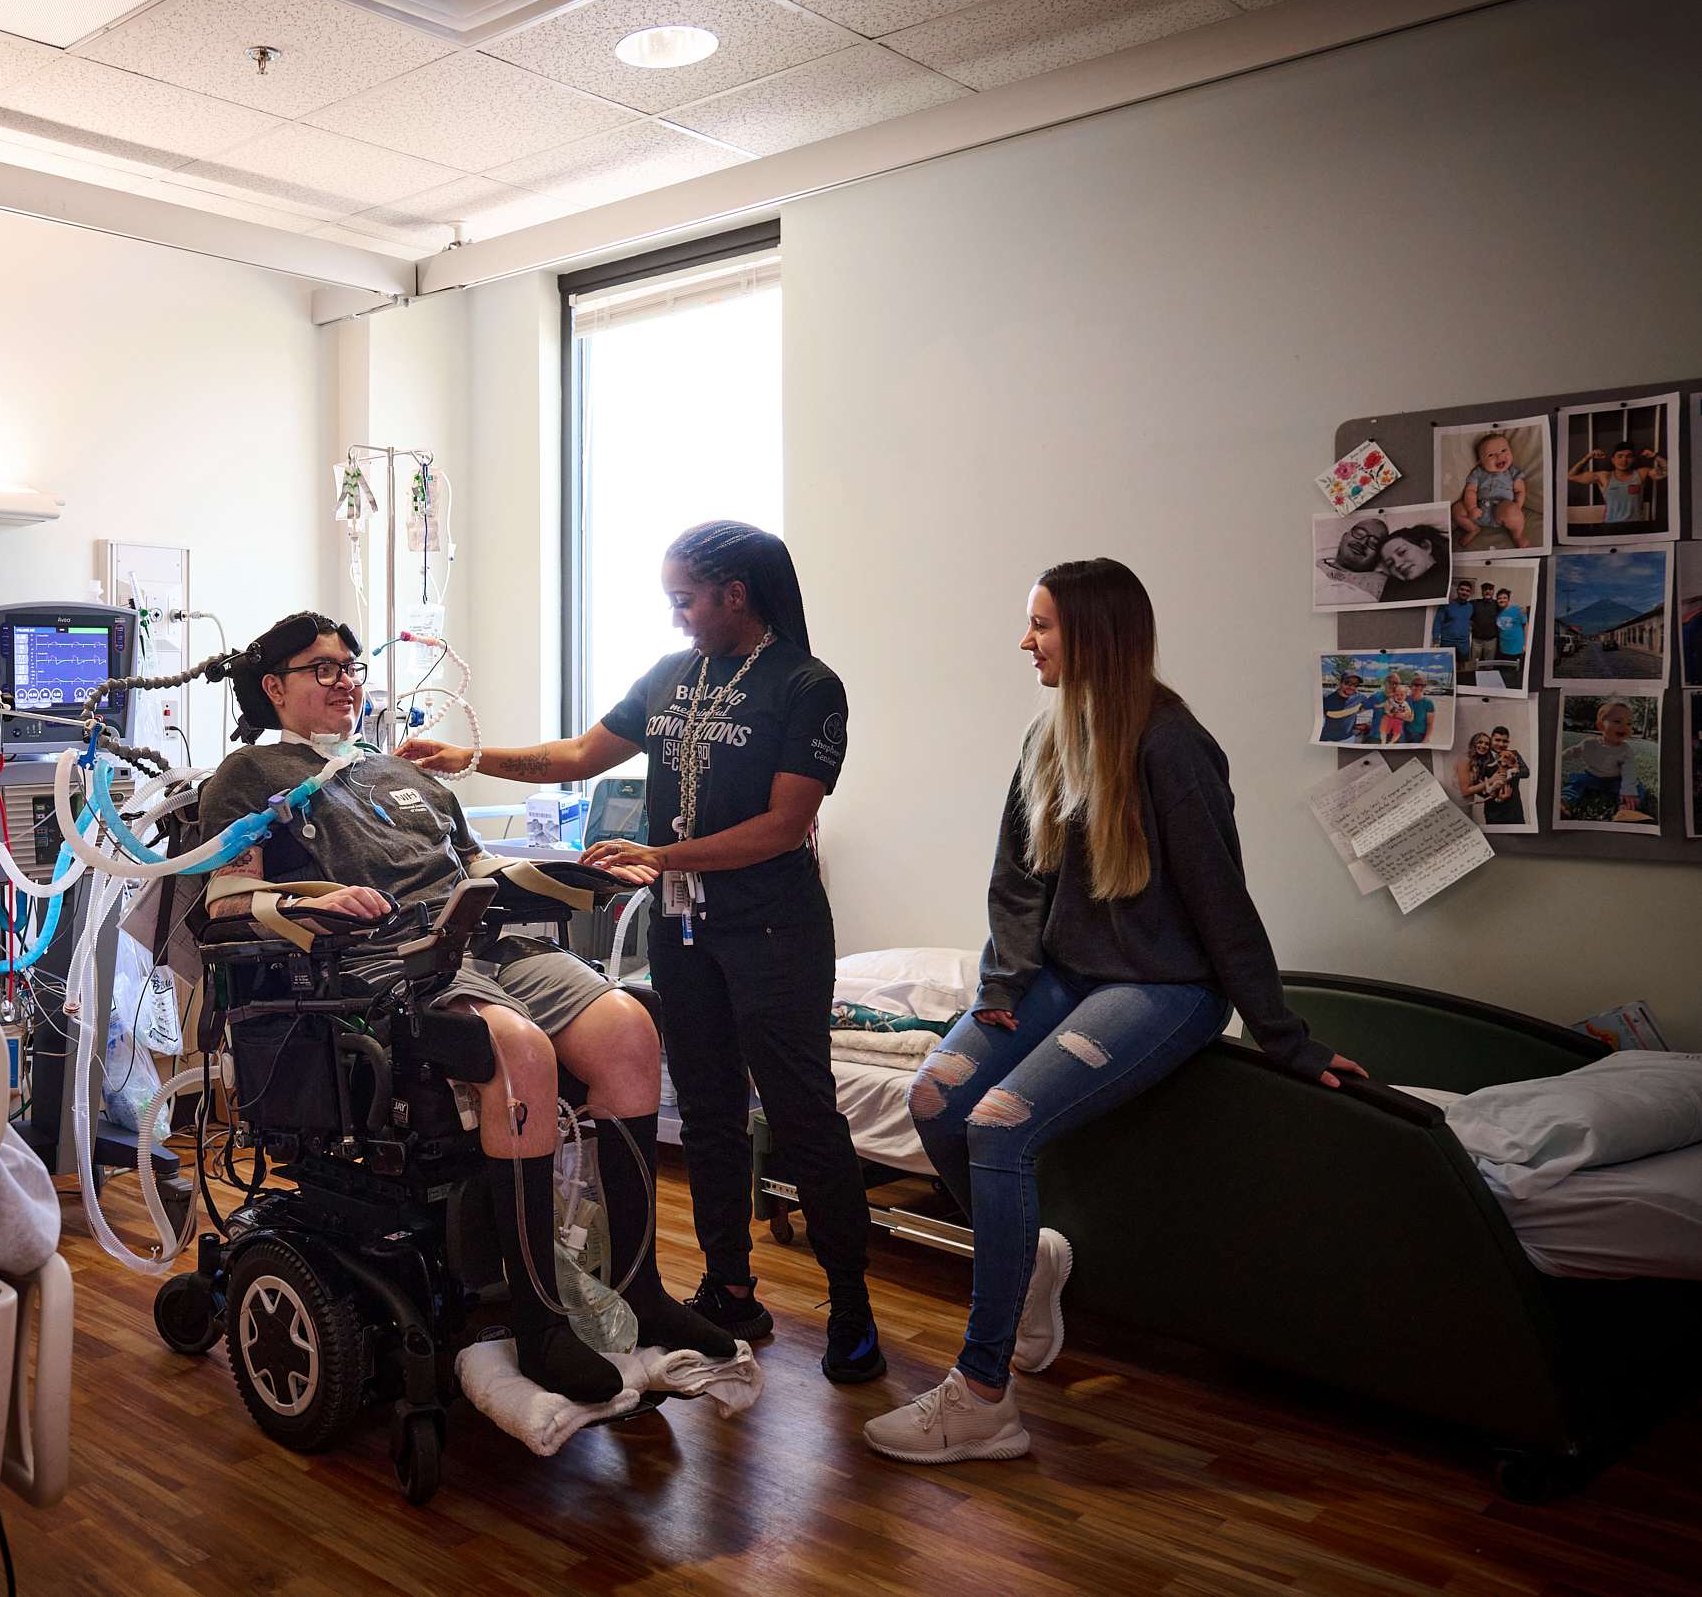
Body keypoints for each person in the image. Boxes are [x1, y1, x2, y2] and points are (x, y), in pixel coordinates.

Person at [864, 557, 1367, 1465]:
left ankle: (983, 1397)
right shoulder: (1049, 733)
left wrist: (1286, 1039)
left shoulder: (1174, 747)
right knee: (933, 1098)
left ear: (1094, 635)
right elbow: (1016, 883)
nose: (1026, 641)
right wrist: (1006, 988)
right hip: (1061, 974)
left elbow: (1224, 904)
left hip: (1165, 988)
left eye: (1042, 626)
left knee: (1000, 1124)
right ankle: (1035, 1263)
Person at [198, 612, 733, 1405]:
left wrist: (577, 875)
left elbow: (480, 869)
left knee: (628, 1028)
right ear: (275, 686)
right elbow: (226, 897)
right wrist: (319, 898)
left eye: (351, 665)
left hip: (480, 943)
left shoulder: (404, 775)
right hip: (382, 965)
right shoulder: (247, 777)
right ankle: (540, 1320)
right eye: (323, 669)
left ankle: (639, 1287)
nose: (347, 680)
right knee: (520, 1052)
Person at [402, 522, 884, 1384]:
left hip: (773, 932)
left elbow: (785, 826)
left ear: (736, 595)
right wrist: (465, 756)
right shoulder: (670, 679)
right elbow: (578, 755)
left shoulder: (808, 688)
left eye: (685, 600)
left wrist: (662, 857)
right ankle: (729, 1287)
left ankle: (852, 1306)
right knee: (703, 1115)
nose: (677, 619)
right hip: (685, 932)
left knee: (804, 1116)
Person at [1560, 700, 1654, 823]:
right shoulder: (1589, 743)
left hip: (1615, 780)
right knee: (1576, 782)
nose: (1624, 726)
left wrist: (1628, 790)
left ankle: (1626, 811)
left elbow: (1629, 772)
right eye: (1617, 721)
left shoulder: (1625, 750)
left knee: (1637, 788)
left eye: (1629, 723)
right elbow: (1573, 752)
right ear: (1600, 726)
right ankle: (1563, 803)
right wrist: (1558, 758)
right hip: (1592, 777)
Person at [1454, 429, 1529, 550]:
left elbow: (1520, 491)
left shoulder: (1512, 472)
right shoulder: (1478, 473)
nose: (1499, 456)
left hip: (1502, 511)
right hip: (1479, 511)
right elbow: (1470, 491)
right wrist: (1471, 508)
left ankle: (1517, 535)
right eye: (1491, 455)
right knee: (1457, 509)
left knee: (1511, 512)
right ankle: (1473, 529)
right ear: (1481, 462)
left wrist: (1516, 509)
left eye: (1504, 450)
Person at [1568, 441, 1668, 529]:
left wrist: (1655, 456)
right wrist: (1588, 457)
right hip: (1610, 527)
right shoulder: (1604, 477)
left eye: (1628, 456)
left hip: (1636, 527)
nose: (1624, 460)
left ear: (1633, 459)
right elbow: (1571, 476)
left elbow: (1668, 471)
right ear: (1613, 460)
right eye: (1620, 456)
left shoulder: (1641, 473)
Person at [1375, 523, 1452, 606]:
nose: (1397, 564)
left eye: (1402, 552)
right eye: (1390, 564)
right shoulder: (1393, 587)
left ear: (1425, 546)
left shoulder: (1449, 574)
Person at [1317, 667, 1378, 743]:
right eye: (1347, 683)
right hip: (1327, 739)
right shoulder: (1326, 698)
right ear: (1340, 683)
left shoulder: (1360, 698)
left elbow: (1372, 706)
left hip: (1348, 739)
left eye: (1355, 685)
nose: (1351, 687)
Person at [1434, 578, 1477, 680]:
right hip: (1447, 642)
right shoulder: (1446, 605)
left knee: (1461, 671)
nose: (1464, 592)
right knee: (1446, 670)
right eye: (1462, 589)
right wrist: (1436, 639)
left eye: (1467, 591)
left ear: (1470, 593)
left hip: (1463, 644)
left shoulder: (1471, 607)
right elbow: (1437, 621)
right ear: (1457, 590)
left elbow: (1471, 621)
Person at [1491, 585, 1530, 688]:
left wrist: (1526, 644)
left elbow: (1526, 626)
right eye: (1499, 598)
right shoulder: (1497, 613)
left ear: (1508, 599)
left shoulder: (1517, 610)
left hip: (1516, 648)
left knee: (1514, 675)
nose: (1502, 600)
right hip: (1503, 648)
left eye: (1504, 598)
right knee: (1503, 674)